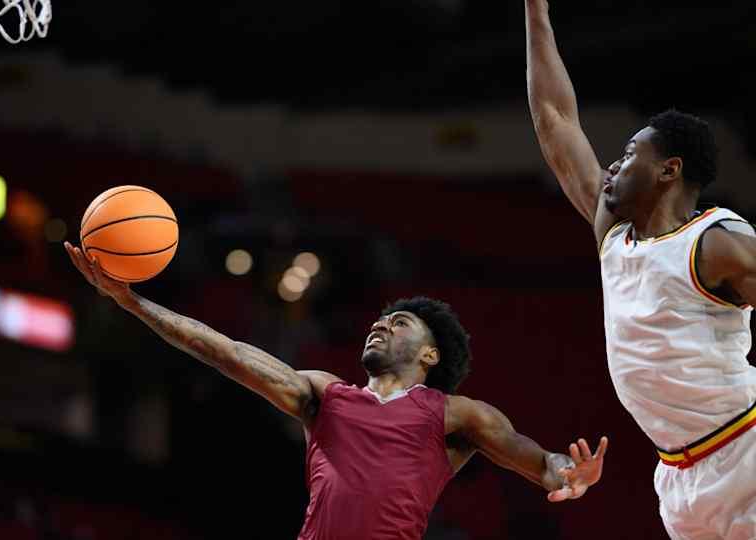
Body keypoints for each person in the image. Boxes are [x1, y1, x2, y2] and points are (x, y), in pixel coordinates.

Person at [64, 242, 606, 539]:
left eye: (398, 323)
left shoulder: (457, 416)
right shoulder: (326, 395)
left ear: (430, 354)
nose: (381, 325)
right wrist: (133, 303)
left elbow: (538, 463)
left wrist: (569, 473)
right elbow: (224, 350)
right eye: (379, 320)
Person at [524, 1, 756, 538]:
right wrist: (537, 11)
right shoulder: (614, 233)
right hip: (678, 474)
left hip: (744, 447)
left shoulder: (716, 244)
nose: (612, 166)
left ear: (668, 170)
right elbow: (555, 121)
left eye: (629, 155)